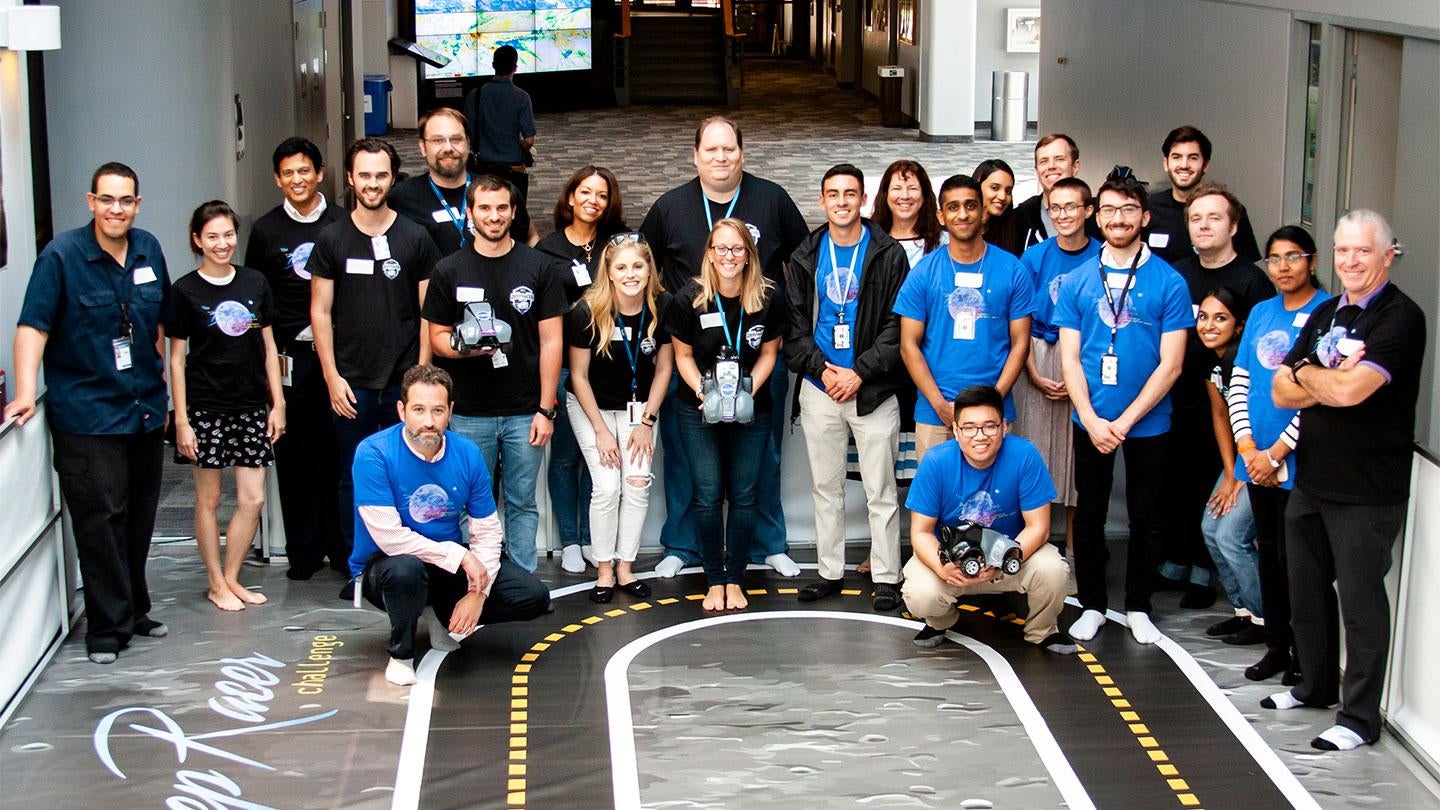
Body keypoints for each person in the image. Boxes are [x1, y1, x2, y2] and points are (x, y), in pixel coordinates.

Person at [1266, 210, 1426, 752]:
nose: (1350, 262)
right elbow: (1280, 391)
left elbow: (1353, 391)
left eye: (1362, 251)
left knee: (1360, 604)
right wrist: (1323, 378)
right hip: (1313, 479)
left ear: (1388, 254)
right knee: (1304, 591)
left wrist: (1312, 376)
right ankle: (1313, 685)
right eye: (1342, 251)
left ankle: (1358, 719)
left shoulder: (1401, 318)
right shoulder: (1327, 312)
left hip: (1366, 490)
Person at [6, 162, 172, 664]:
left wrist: (161, 375)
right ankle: (105, 627)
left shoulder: (148, 248)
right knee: (100, 519)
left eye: (126, 201)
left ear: (138, 204)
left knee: (139, 517)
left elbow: (159, 321)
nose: (116, 209)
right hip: (88, 414)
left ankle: (133, 608)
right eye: (107, 200)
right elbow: (33, 327)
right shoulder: (61, 257)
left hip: (143, 409)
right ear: (91, 201)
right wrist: (24, 390)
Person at [641, 116, 808, 579]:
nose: (720, 158)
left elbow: (804, 259)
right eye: (710, 150)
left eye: (728, 149)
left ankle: (768, 544)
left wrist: (792, 318)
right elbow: (643, 267)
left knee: (764, 457)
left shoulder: (772, 199)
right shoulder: (670, 207)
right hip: (691, 359)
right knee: (686, 459)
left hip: (759, 354)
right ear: (695, 155)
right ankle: (682, 545)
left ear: (742, 153)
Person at [1053, 170, 1192, 645]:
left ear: (1145, 217)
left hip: (1149, 423)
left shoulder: (1169, 282)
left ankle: (1138, 605)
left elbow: (1171, 364)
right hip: (1089, 420)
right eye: (1109, 209)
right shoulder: (1076, 281)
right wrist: (1092, 419)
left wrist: (1126, 421)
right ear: (1098, 216)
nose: (1118, 218)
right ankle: (1092, 603)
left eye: (1128, 209)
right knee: (1088, 513)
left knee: (1146, 515)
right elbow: (1069, 356)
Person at [348, 364, 550, 687]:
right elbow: (390, 538)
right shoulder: (373, 453)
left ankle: (442, 615)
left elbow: (486, 531)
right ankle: (401, 654)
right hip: (385, 567)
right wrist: (460, 557)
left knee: (533, 595)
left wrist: (478, 593)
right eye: (418, 410)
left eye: (437, 410)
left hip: (445, 564)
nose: (428, 421)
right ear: (401, 411)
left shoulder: (467, 454)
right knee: (406, 570)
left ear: (450, 412)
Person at [422, 175, 567, 573]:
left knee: (522, 502)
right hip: (468, 412)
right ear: (470, 214)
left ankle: (520, 583)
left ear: (514, 212)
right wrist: (465, 347)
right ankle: (477, 581)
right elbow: (435, 337)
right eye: (484, 208)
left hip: (526, 411)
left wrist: (546, 408)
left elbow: (552, 341)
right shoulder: (448, 269)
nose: (494, 216)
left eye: (502, 207)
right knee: (471, 505)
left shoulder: (538, 266)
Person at [310, 138, 441, 564]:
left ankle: (410, 562)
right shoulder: (331, 239)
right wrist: (331, 377)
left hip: (404, 385)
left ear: (392, 178)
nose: (372, 183)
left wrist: (421, 375)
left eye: (381, 175)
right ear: (350, 179)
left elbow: (428, 312)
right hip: (352, 384)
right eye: (364, 175)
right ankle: (359, 565)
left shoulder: (415, 237)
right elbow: (320, 311)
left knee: (410, 475)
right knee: (355, 476)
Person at [784, 164, 908, 611]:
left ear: (862, 199)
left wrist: (860, 372)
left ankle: (888, 577)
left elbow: (899, 327)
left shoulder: (888, 253)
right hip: (820, 388)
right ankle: (829, 571)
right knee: (826, 486)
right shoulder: (805, 254)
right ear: (822, 201)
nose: (841, 202)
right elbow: (794, 328)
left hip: (871, 389)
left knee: (881, 490)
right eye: (833, 194)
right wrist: (827, 371)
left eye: (850, 193)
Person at [1157, 183, 1274, 607]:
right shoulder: (1177, 273)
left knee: (1216, 489)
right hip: (1178, 399)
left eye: (1214, 217)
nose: (1203, 225)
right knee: (1177, 487)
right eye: (1195, 218)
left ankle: (1205, 577)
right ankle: (1176, 563)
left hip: (1232, 407)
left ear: (1234, 225)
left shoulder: (1253, 281)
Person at [665, 219, 786, 611]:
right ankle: (714, 579)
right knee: (706, 495)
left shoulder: (768, 296)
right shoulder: (689, 299)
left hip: (751, 408)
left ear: (749, 255)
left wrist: (746, 391)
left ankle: (735, 577)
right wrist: (706, 393)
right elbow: (682, 356)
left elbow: (769, 353)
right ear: (710, 253)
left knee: (745, 495)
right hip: (698, 408)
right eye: (722, 249)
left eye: (738, 249)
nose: (729, 257)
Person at [168, 201, 284, 611]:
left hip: (251, 404)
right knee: (210, 499)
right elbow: (177, 359)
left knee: (253, 498)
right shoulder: (185, 290)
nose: (222, 244)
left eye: (228, 235)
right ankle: (215, 582)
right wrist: (181, 420)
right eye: (212, 236)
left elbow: (269, 348)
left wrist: (278, 402)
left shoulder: (254, 282)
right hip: (205, 407)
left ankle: (232, 577)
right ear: (197, 240)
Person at [1225, 226, 1328, 683]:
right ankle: (1277, 648)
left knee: (1299, 563)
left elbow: (1318, 394)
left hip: (1297, 462)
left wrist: (1278, 451)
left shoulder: (1326, 314)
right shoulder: (1262, 311)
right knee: (1267, 554)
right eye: (1274, 259)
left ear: (1312, 260)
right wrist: (1249, 449)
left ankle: (1308, 660)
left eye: (1293, 257)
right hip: (1256, 460)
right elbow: (1240, 383)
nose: (1283, 267)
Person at [901, 385, 1074, 654]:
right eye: (969, 427)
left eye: (989, 426)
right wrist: (941, 566)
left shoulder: (1024, 455)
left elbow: (1039, 528)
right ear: (956, 431)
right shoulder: (936, 461)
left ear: (1004, 427)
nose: (980, 436)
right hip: (954, 559)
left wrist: (1002, 559)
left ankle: (1042, 631)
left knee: (1053, 569)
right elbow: (921, 532)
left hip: (1010, 557)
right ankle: (940, 622)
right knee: (920, 592)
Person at [244, 136, 346, 579]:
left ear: (319, 173)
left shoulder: (343, 223)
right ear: (277, 179)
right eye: (288, 173)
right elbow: (254, 296)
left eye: (304, 170)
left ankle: (344, 552)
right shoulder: (266, 230)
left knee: (339, 452)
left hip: (339, 355)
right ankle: (303, 552)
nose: (297, 179)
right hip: (288, 357)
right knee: (294, 454)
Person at [895, 174, 1035, 461]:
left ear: (984, 212)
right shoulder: (923, 272)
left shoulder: (1012, 269)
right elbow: (908, 345)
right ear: (941, 215)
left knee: (995, 501)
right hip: (936, 411)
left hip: (995, 410)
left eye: (971, 206)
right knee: (937, 500)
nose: (962, 214)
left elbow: (1020, 343)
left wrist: (993, 400)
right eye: (953, 207)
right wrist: (940, 404)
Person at [566, 233, 672, 602]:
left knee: (638, 483)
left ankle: (626, 567)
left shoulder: (663, 306)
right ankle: (604, 569)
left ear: (649, 270)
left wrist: (647, 422)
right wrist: (600, 431)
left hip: (639, 410)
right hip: (590, 407)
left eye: (638, 266)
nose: (631, 274)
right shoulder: (587, 311)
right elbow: (578, 376)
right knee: (608, 487)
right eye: (621, 267)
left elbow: (663, 370)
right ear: (608, 273)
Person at [537, 165, 628, 573]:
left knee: (600, 458)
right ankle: (570, 540)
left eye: (602, 195)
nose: (593, 200)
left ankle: (595, 539)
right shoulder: (548, 250)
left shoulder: (617, 245)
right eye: (585, 192)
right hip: (563, 364)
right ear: (570, 197)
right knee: (565, 457)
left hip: (607, 364)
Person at [1013, 177, 1101, 549]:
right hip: (1035, 355)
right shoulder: (1035, 256)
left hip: (1082, 357)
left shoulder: (1101, 257)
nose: (1063, 214)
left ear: (1088, 211)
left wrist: (1075, 372)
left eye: (1071, 207)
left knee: (1075, 460)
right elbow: (1019, 318)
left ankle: (1075, 550)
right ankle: (1034, 545)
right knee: (1035, 452)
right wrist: (1032, 372)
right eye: (1056, 208)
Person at [1194, 287, 1263, 644]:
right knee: (1210, 528)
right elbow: (1221, 415)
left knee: (1231, 536)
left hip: (1263, 456)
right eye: (1203, 317)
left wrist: (1243, 473)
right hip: (1238, 460)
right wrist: (1230, 471)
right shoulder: (1211, 360)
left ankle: (1265, 617)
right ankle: (1243, 610)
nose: (1208, 325)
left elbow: (1252, 418)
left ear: (1239, 326)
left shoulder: (1242, 357)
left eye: (1220, 318)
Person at [389, 108, 528, 253]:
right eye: (438, 140)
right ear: (423, 147)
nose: (448, 148)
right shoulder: (400, 199)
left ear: (467, 143)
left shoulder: (499, 192)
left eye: (456, 140)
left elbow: (527, 240)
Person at [1145, 126, 1260, 264]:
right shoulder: (1149, 208)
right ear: (1166, 163)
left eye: (1193, 158)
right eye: (1177, 157)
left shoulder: (1228, 209)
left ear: (1205, 165)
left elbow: (1246, 268)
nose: (1184, 165)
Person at [464, 45, 537, 242]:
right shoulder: (521, 97)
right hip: (513, 168)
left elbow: (469, 132)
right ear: (516, 67)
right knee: (515, 219)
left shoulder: (475, 95)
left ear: (493, 65)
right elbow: (529, 139)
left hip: (482, 166)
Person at [871, 159, 943, 269]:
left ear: (924, 194)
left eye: (912, 188)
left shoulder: (943, 243)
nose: (905, 196)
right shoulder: (870, 238)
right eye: (897, 188)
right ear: (885, 194)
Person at [1015, 133, 1082, 248]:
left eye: (1059, 159)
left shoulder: (1097, 216)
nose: (1051, 166)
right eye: (1043, 161)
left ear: (1075, 167)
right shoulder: (1020, 217)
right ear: (1036, 170)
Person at [972, 159, 1024, 257]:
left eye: (1008, 191)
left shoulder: (1013, 228)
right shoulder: (956, 224)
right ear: (977, 185)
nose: (1002, 196)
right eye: (995, 188)